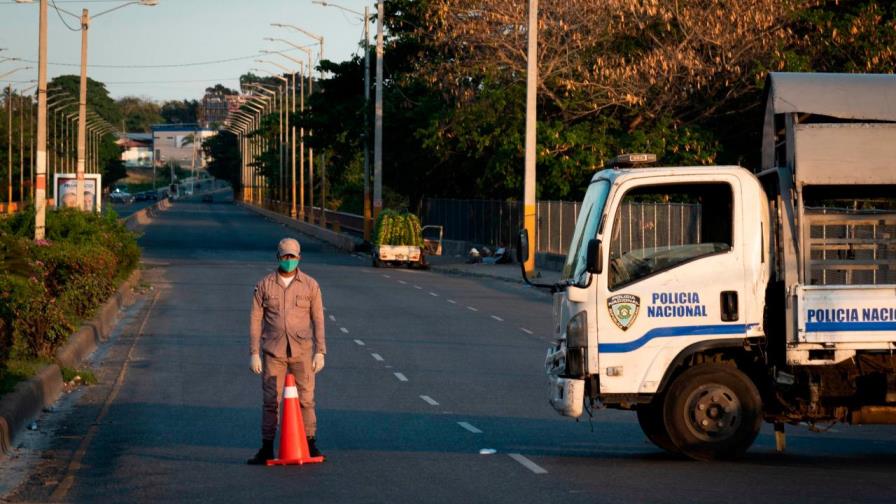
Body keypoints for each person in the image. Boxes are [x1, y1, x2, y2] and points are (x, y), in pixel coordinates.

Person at [247, 237, 326, 465]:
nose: (289, 260)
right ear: (278, 257)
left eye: (292, 256)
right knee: (271, 401)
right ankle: (266, 447)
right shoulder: (264, 285)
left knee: (306, 399)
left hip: (302, 351)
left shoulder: (310, 285)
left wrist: (320, 351)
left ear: (299, 257)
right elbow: (255, 320)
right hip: (273, 352)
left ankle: (310, 443)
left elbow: (318, 319)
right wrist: (254, 352)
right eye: (285, 256)